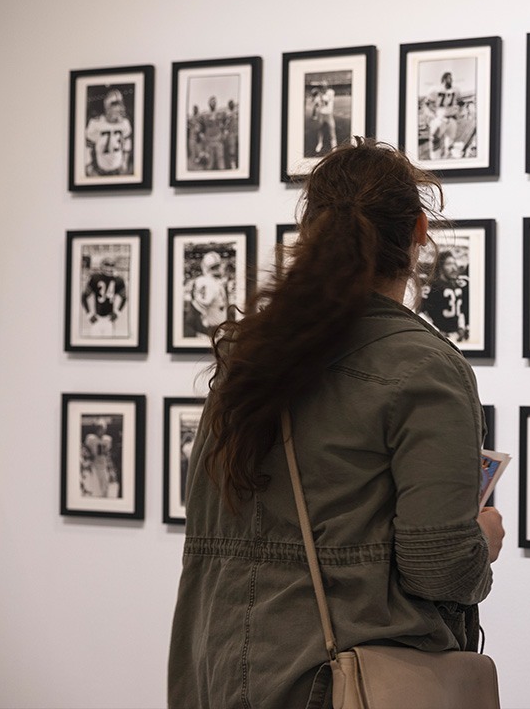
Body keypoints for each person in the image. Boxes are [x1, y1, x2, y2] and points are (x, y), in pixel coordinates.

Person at [168, 138, 504, 708]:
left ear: (313, 232)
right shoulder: (424, 368)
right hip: (336, 684)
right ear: (420, 231)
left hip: (215, 672)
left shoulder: (247, 357)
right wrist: (483, 542)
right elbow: (440, 568)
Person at [420, 249, 469, 342]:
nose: (454, 268)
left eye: (455, 264)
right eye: (449, 264)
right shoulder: (431, 287)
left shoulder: (456, 285)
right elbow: (420, 312)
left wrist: (461, 327)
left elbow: (461, 309)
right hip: (439, 337)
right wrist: (436, 331)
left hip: (456, 335)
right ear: (440, 267)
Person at [84, 88, 133, 176]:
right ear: (107, 107)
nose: (119, 108)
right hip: (100, 170)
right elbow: (88, 147)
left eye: (120, 104)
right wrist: (88, 166)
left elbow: (127, 143)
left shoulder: (125, 123)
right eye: (115, 105)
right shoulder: (95, 123)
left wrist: (125, 161)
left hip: (118, 170)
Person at [81, 256, 126, 337]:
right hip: (97, 317)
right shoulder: (95, 278)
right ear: (101, 266)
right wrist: (89, 314)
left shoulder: (118, 280)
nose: (109, 268)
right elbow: (84, 297)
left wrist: (117, 313)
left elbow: (124, 297)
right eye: (107, 265)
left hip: (109, 319)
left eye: (111, 266)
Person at [187, 250, 229, 338]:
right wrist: (209, 331)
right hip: (209, 334)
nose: (218, 269)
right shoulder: (206, 283)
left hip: (218, 331)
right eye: (214, 267)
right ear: (206, 269)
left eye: (218, 265)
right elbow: (195, 313)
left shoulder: (216, 282)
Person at [426, 72, 461, 159]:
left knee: (450, 141)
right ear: (444, 79)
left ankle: (447, 160)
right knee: (435, 139)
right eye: (449, 78)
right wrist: (433, 116)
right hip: (441, 118)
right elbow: (427, 104)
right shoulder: (435, 90)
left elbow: (460, 102)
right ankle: (435, 161)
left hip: (452, 118)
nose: (451, 80)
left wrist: (458, 111)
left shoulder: (455, 90)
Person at [196, 96, 227, 170]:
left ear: (216, 103)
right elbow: (200, 126)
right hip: (209, 140)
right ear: (209, 103)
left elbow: (226, 123)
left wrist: (225, 132)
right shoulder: (204, 115)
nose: (213, 103)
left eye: (214, 102)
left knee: (220, 159)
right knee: (209, 161)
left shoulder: (221, 113)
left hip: (218, 139)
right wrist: (201, 135)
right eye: (211, 102)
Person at [311, 80, 337, 154]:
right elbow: (315, 103)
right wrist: (314, 96)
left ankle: (334, 147)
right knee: (320, 130)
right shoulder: (320, 95)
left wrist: (319, 94)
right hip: (321, 115)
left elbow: (326, 100)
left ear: (327, 86)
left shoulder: (331, 92)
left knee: (332, 130)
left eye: (325, 86)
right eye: (322, 86)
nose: (324, 87)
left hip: (329, 115)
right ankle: (320, 143)